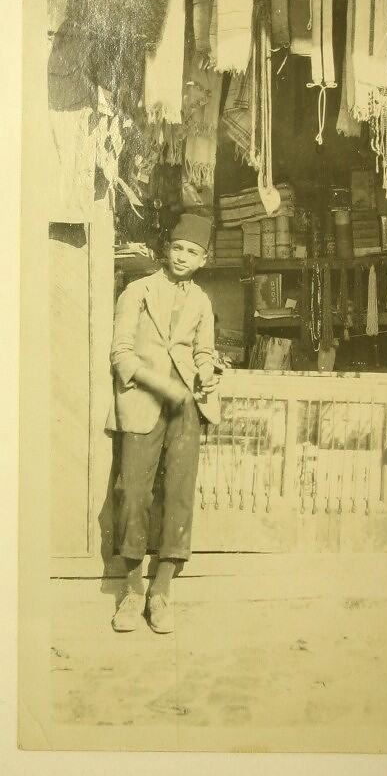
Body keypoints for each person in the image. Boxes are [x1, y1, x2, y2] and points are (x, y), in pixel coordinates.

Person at [106, 213, 220, 633]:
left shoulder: (202, 301)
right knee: (133, 493)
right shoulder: (137, 291)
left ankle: (162, 592)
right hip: (143, 401)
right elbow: (121, 355)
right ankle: (132, 591)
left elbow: (203, 352)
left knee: (179, 495)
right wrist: (162, 385)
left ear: (204, 259)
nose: (183, 257)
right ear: (166, 249)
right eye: (178, 248)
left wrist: (206, 372)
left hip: (185, 407)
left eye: (193, 252)